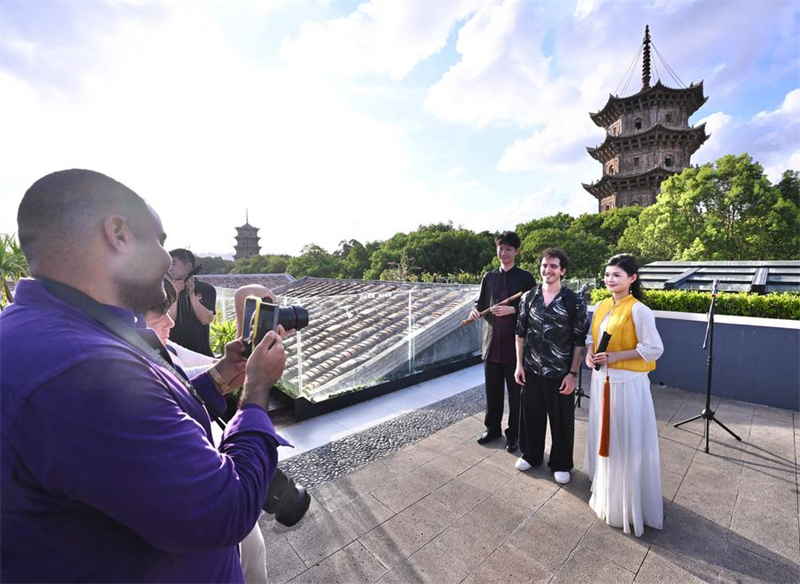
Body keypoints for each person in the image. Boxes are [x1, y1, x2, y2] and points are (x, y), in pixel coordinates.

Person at [1, 169, 288, 582]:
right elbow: (225, 509)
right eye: (159, 240)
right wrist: (258, 388)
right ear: (117, 233)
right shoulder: (79, 370)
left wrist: (224, 373)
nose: (167, 261)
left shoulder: (60, 331)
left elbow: (148, 414)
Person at [143, 280, 269, 584]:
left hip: (210, 490)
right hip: (209, 499)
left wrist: (233, 366)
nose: (170, 322)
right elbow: (231, 507)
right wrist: (258, 386)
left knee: (254, 549)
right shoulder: (122, 372)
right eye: (159, 314)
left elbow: (199, 378)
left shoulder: (161, 350)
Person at [584, 253, 664, 537]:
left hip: (626, 384)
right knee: (606, 437)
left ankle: (625, 503)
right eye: (607, 275)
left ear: (632, 279)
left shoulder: (639, 310)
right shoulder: (603, 305)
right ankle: (607, 492)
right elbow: (591, 338)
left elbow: (653, 349)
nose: (610, 280)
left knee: (622, 440)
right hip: (601, 382)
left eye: (616, 275)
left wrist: (616, 356)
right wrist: (590, 356)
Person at [514, 248, 588, 484]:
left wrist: (573, 374)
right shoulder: (529, 297)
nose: (548, 270)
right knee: (531, 415)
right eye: (545, 265)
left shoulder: (573, 301)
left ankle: (561, 463)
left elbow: (579, 340)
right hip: (532, 368)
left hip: (560, 372)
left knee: (561, 420)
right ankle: (532, 455)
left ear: (563, 271)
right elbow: (520, 333)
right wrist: (519, 365)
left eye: (553, 266)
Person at [468, 231, 535, 453]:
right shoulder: (489, 277)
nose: (503, 253)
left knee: (516, 396)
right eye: (500, 248)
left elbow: (534, 310)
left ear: (516, 251)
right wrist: (475, 311)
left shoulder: (526, 278)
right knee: (492, 392)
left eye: (507, 249)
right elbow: (480, 304)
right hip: (491, 344)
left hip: (515, 348)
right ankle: (492, 429)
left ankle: (514, 434)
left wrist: (513, 309)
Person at [168, 247, 217, 356]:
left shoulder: (206, 289)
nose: (170, 268)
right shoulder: (165, 290)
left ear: (189, 266)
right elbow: (170, 320)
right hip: (174, 354)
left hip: (201, 353)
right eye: (168, 264)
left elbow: (206, 319)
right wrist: (175, 294)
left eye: (174, 264)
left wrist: (192, 295)